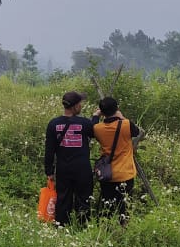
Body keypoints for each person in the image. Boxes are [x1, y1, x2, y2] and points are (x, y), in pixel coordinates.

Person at [44, 91, 96, 226]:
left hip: (63, 169)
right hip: (82, 168)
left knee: (63, 199)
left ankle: (61, 226)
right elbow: (94, 130)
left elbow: (49, 150)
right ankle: (82, 226)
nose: (81, 106)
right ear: (75, 107)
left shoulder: (53, 124)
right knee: (84, 198)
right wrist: (95, 117)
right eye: (80, 104)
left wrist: (49, 171)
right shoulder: (85, 123)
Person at [91, 96, 141, 226]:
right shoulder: (126, 124)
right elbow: (137, 132)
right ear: (117, 109)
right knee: (124, 207)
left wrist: (95, 115)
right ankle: (123, 227)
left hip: (107, 174)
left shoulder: (98, 129)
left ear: (102, 112)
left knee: (107, 205)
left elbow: (91, 127)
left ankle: (106, 227)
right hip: (126, 173)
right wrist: (121, 116)